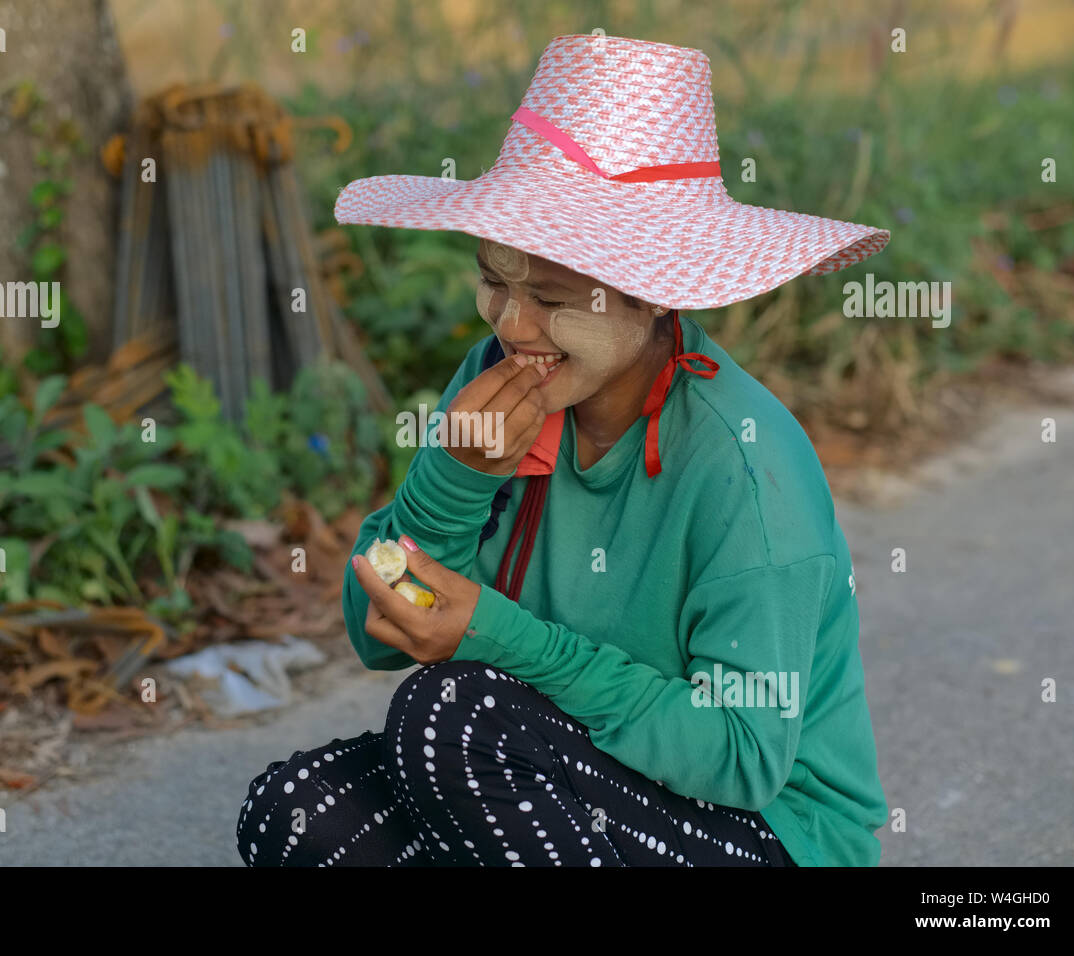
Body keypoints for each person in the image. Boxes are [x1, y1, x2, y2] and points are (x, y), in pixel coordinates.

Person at [237, 33, 890, 867]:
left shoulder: (745, 466)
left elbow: (742, 756)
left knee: (453, 716)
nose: (511, 325)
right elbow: (379, 625)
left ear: (655, 290)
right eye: (494, 281)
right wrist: (450, 483)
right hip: (561, 774)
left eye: (549, 296)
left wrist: (500, 637)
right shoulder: (501, 382)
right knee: (300, 814)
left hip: (764, 833)